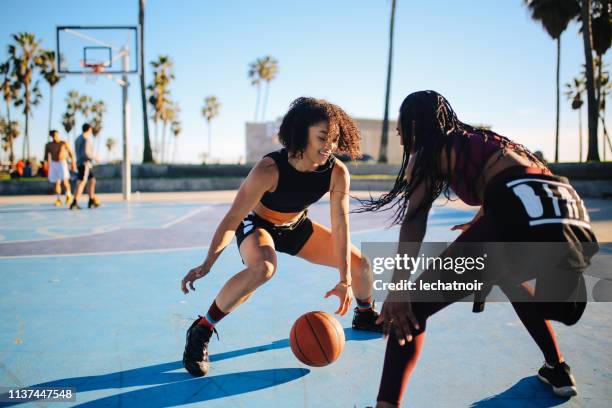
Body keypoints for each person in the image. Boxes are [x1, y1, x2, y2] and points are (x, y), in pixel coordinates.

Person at [357, 91, 598, 407]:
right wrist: (482, 220)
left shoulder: (430, 153)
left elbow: (414, 221)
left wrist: (399, 288)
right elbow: (522, 184)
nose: (400, 135)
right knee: (507, 275)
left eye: (401, 126)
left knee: (411, 308)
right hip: (571, 221)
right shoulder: (486, 140)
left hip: (521, 218)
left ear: (415, 123)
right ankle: (558, 368)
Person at [180, 97, 383, 377]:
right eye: (323, 137)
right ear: (301, 134)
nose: (329, 146)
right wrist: (207, 264)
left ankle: (364, 314)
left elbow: (340, 226)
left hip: (296, 226)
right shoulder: (269, 169)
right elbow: (232, 218)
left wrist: (345, 280)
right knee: (263, 269)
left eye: (334, 139)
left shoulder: (337, 172)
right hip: (258, 224)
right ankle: (202, 329)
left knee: (361, 265)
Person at [70, 123, 100, 210]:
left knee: (92, 181)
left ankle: (91, 200)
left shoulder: (78, 138)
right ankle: (74, 202)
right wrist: (95, 158)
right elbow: (86, 153)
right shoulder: (85, 139)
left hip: (81, 163)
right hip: (85, 164)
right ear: (89, 129)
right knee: (81, 182)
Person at [44, 130, 76, 206]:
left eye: (56, 135)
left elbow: (71, 153)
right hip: (54, 164)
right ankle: (58, 199)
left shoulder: (63, 143)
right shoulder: (48, 145)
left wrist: (73, 163)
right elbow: (45, 156)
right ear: (51, 136)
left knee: (65, 181)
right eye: (53, 135)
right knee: (56, 182)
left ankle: (68, 195)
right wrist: (45, 165)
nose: (55, 136)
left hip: (62, 163)